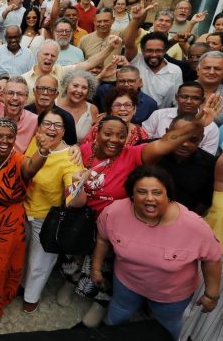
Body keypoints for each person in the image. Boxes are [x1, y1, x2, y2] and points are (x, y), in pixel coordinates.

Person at [59, 97, 222, 327]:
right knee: (73, 258)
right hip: (80, 221)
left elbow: (167, 142)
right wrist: (73, 149)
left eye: (120, 135)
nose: (114, 139)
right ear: (96, 134)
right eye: (108, 134)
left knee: (106, 268)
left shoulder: (134, 154)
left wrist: (197, 124)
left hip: (115, 226)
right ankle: (69, 283)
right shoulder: (82, 152)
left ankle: (100, 303)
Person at [92, 165, 222, 339]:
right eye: (142, 192)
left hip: (171, 296)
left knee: (166, 329)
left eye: (157, 192)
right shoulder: (114, 212)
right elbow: (102, 239)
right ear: (132, 195)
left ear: (168, 194)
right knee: (117, 316)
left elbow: (212, 259)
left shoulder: (194, 227)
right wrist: (96, 269)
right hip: (126, 284)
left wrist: (211, 295)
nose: (150, 198)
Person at [0, 118, 60, 321]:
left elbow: (31, 168)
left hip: (6, 227)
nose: (5, 141)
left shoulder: (19, 160)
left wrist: (43, 151)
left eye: (9, 137)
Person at [21, 109, 85, 312]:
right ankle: (20, 286)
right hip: (22, 210)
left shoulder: (70, 158)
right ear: (39, 127)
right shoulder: (36, 141)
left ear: (64, 131)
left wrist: (77, 186)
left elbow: (76, 201)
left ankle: (31, 297)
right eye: (47, 124)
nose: (51, 129)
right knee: (21, 255)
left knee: (39, 262)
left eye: (58, 125)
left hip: (46, 218)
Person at [154, 114, 216, 215]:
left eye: (193, 140)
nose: (185, 144)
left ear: (201, 139)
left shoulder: (210, 165)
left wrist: (190, 220)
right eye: (180, 137)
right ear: (167, 132)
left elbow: (205, 201)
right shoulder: (146, 151)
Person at [124, 3, 183, 108]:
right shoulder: (137, 59)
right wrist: (135, 20)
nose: (154, 55)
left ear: (165, 51)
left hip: (159, 116)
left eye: (158, 51)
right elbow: (128, 43)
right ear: (142, 50)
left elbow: (177, 102)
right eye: (149, 50)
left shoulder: (175, 71)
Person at [142, 81, 219, 155]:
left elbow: (207, 157)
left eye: (195, 98)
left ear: (202, 101)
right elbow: (144, 143)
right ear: (176, 97)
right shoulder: (158, 115)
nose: (189, 101)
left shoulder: (211, 127)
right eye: (184, 97)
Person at [94, 64, 158, 124]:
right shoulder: (105, 91)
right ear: (116, 82)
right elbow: (87, 91)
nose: (126, 85)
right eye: (122, 81)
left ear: (140, 82)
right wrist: (101, 76)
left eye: (131, 81)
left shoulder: (150, 104)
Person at [83, 88, 149, 147]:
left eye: (127, 105)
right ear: (110, 110)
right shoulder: (98, 129)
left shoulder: (140, 133)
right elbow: (85, 150)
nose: (122, 109)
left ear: (134, 109)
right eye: (117, 105)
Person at [56, 69, 99, 143]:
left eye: (84, 88)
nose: (79, 91)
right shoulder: (53, 104)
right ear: (66, 86)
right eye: (75, 86)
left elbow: (94, 138)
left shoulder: (92, 109)